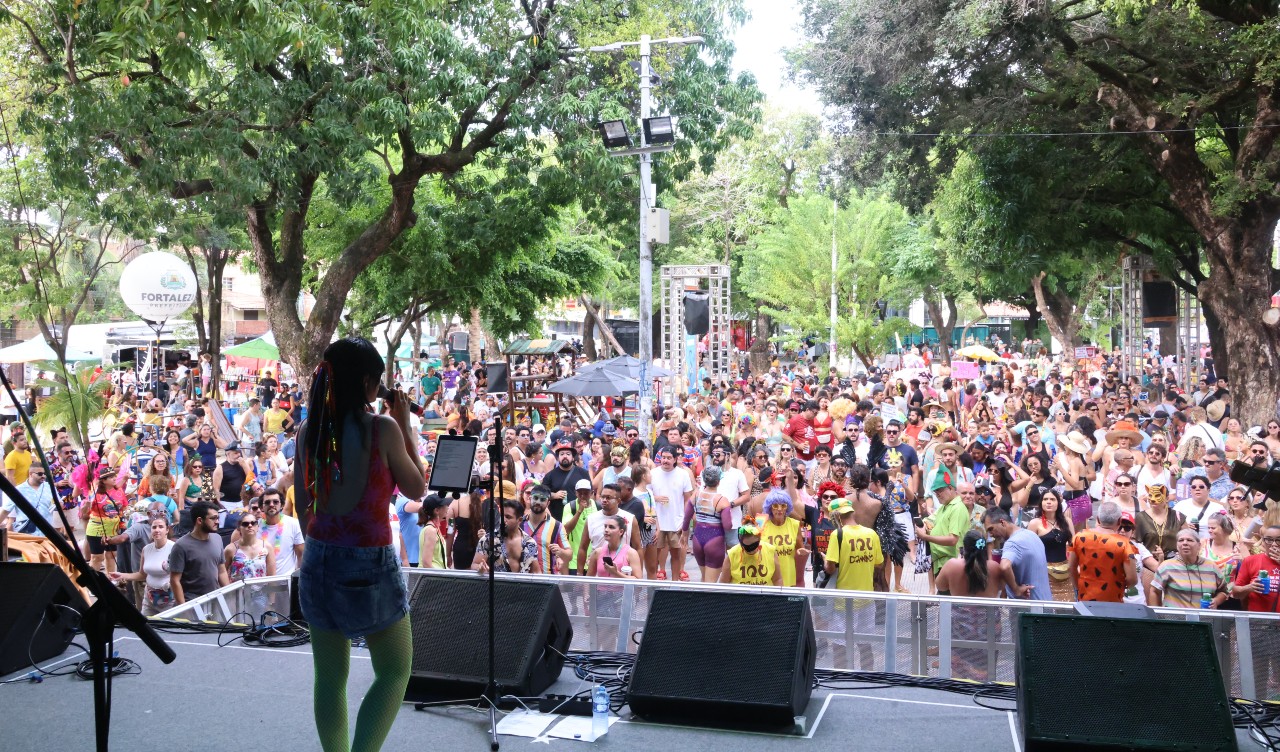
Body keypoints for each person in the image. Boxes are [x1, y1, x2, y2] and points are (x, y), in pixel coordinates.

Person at [293, 337, 425, 752]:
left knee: (330, 678)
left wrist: (320, 547)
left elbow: (302, 503)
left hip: (317, 554)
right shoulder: (382, 428)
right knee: (395, 670)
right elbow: (416, 486)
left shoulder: (308, 430)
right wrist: (403, 422)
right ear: (369, 382)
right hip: (369, 563)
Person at [935, 530, 1004, 679]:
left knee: (958, 667)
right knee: (987, 667)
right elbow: (1001, 588)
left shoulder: (952, 565)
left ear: (964, 548)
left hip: (960, 625)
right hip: (989, 623)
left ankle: (959, 696)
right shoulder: (994, 567)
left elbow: (940, 586)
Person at [1066, 501, 1137, 602]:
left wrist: (1077, 587)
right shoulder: (1125, 544)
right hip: (1113, 600)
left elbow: (1071, 567)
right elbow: (1132, 579)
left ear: (1098, 519)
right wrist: (1119, 586)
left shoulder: (1079, 537)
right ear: (1119, 521)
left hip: (1085, 598)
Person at [108, 513, 177, 616]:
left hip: (169, 601)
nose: (157, 530)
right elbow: (141, 575)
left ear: (167, 530)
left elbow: (182, 576)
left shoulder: (174, 548)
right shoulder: (146, 549)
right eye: (154, 527)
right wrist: (121, 575)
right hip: (149, 599)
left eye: (161, 527)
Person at [169, 501, 230, 604]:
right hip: (192, 603)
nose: (217, 522)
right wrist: (184, 608)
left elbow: (222, 571)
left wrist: (229, 596)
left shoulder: (218, 539)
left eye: (218, 518)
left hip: (214, 601)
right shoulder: (181, 546)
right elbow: (175, 580)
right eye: (213, 518)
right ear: (199, 520)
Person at [1150, 528, 1228, 608]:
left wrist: (1216, 601)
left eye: (1189, 540)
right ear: (1177, 546)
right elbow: (1154, 591)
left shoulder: (1212, 567)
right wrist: (1157, 616)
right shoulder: (1166, 566)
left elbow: (1224, 591)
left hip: (1204, 618)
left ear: (1199, 545)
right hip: (1175, 618)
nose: (1185, 543)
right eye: (1181, 540)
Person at [650, 445, 694, 581]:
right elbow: (645, 495)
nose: (665, 461)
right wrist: (655, 498)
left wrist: (685, 521)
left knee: (676, 554)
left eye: (669, 458)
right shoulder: (653, 473)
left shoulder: (683, 475)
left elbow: (688, 499)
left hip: (676, 521)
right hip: (657, 522)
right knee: (654, 555)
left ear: (675, 459)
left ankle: (675, 583)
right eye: (663, 457)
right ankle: (656, 579)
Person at [684, 467, 734, 583]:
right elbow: (728, 526)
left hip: (698, 537)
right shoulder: (722, 500)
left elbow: (687, 517)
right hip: (715, 539)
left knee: (704, 578)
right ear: (718, 481)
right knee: (711, 583)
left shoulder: (696, 495)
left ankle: (701, 601)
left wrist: (684, 534)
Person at [472, 499, 540, 573]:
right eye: (502, 515)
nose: (503, 519)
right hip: (497, 583)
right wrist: (480, 568)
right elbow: (475, 564)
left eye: (508, 517)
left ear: (519, 520)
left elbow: (536, 572)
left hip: (521, 583)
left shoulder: (529, 543)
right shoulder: (488, 540)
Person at [256, 487, 305, 576]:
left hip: (286, 580)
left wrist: (298, 578)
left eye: (275, 502)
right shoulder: (255, 526)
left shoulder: (293, 523)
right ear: (261, 507)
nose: (271, 504)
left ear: (282, 505)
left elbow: (301, 554)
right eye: (267, 502)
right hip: (261, 580)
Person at [1, 464, 60, 536]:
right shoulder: (19, 490)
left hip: (47, 532)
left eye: (45, 474)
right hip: (26, 533)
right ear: (30, 474)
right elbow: (5, 511)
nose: (43, 476)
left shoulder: (50, 487)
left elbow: (59, 503)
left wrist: (58, 506)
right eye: (40, 474)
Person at [720, 517, 782, 585]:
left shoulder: (770, 551)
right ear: (741, 544)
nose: (751, 550)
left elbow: (777, 579)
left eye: (754, 546)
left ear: (759, 540)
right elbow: (723, 583)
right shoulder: (732, 555)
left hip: (764, 594)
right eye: (747, 547)